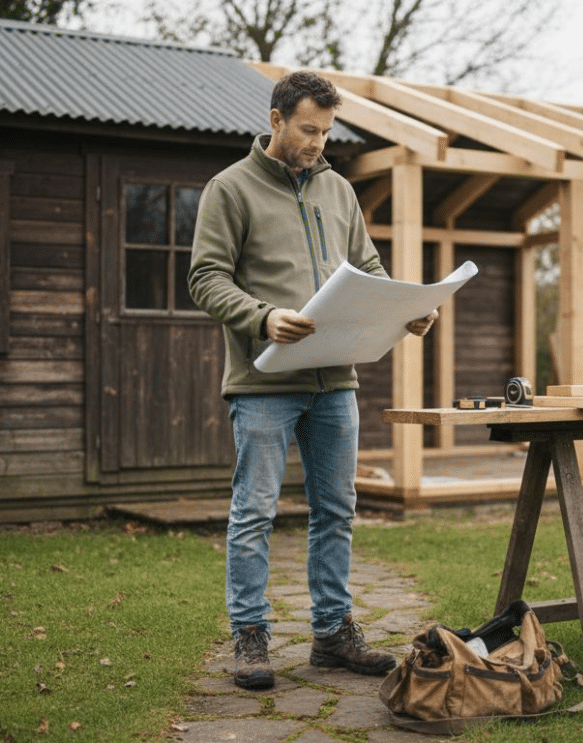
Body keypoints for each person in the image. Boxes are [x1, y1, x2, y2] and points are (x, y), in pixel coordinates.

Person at [188, 70, 437, 691]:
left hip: (336, 382)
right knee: (255, 512)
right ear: (275, 119)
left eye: (325, 132)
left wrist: (406, 309)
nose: (317, 143)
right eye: (307, 130)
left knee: (336, 510)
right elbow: (206, 277)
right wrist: (262, 317)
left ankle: (332, 634)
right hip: (264, 383)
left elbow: (368, 267)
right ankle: (251, 635)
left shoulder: (339, 190)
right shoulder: (230, 189)